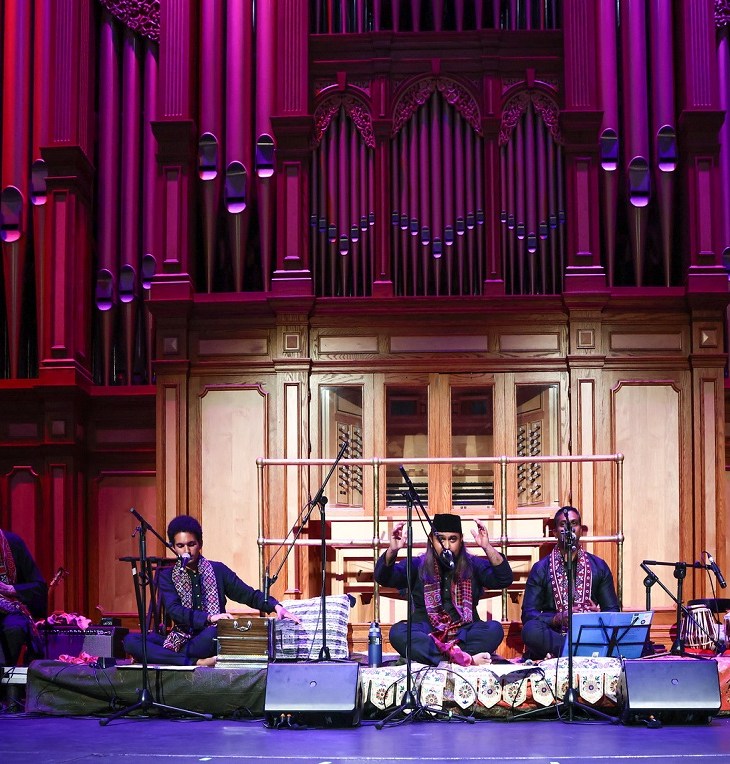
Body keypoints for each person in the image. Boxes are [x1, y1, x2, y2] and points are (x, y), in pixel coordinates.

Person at [124, 516, 299, 666]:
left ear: (200, 543)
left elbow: (248, 595)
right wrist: (209, 617)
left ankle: (171, 658)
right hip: (179, 640)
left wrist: (275, 606)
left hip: (207, 639)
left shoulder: (218, 570)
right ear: (174, 547)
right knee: (131, 641)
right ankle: (196, 662)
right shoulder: (167, 576)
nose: (187, 551)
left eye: (191, 544)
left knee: (216, 632)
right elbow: (174, 610)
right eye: (180, 546)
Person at [374, 513, 513, 666]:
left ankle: (442, 658)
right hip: (427, 631)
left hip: (464, 631)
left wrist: (487, 547)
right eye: (441, 539)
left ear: (461, 540)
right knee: (398, 633)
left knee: (494, 629)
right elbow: (383, 578)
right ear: (431, 540)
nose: (447, 546)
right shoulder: (417, 565)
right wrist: (392, 550)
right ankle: (464, 658)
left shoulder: (473, 564)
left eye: (453, 539)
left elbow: (504, 579)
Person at [521, 505, 619, 660]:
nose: (569, 529)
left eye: (574, 524)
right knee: (530, 630)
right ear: (554, 533)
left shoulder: (599, 566)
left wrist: (598, 614)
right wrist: (556, 618)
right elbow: (528, 614)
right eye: (563, 525)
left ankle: (565, 653)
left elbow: (613, 610)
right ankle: (581, 652)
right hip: (555, 634)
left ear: (581, 530)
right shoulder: (541, 569)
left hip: (590, 632)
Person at [0, 529, 47, 666]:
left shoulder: (12, 543)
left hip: (10, 609)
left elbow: (39, 587)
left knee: (14, 628)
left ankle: (5, 674)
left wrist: (9, 589)